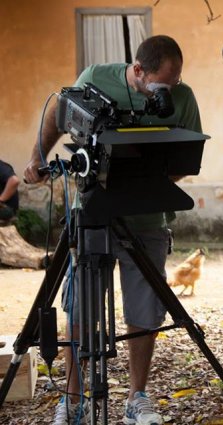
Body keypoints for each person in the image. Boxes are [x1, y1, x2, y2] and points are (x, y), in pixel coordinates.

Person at [24, 35, 201, 425]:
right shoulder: (95, 77)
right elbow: (59, 110)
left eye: (174, 84)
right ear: (138, 71)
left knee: (145, 312)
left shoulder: (183, 96)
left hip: (148, 220)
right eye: (161, 86)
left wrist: (142, 179)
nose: (168, 94)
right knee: (80, 310)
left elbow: (188, 155)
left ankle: (137, 397)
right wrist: (37, 158)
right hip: (92, 214)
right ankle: (73, 400)